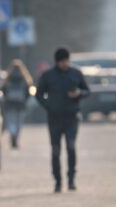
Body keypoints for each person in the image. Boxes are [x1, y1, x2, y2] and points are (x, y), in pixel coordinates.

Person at [36, 48, 90, 193]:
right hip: (54, 118)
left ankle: (71, 178)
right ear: (57, 61)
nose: (65, 64)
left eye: (67, 60)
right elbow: (39, 94)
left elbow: (87, 90)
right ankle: (58, 181)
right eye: (63, 61)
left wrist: (79, 94)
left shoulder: (75, 73)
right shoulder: (48, 76)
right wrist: (48, 106)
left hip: (72, 117)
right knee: (55, 150)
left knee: (71, 147)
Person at [1, 59, 33, 148]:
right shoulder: (24, 78)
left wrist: (6, 98)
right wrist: (25, 99)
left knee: (11, 121)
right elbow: (28, 91)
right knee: (19, 123)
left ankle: (12, 135)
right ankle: (16, 138)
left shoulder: (8, 77)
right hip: (20, 104)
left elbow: (2, 89)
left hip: (10, 104)